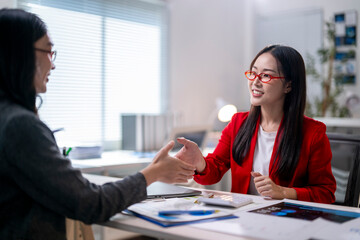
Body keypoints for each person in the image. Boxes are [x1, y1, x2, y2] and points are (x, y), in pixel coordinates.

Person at [0, 8, 195, 239]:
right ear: (21, 54)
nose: (53, 64)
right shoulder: (20, 126)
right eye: (48, 51)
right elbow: (91, 203)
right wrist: (153, 173)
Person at [175, 45, 336, 204]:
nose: (255, 82)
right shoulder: (238, 123)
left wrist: (283, 192)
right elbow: (214, 171)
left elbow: (325, 193)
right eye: (253, 73)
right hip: (243, 220)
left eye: (266, 76)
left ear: (288, 85)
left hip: (288, 221)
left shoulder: (313, 133)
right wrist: (199, 162)